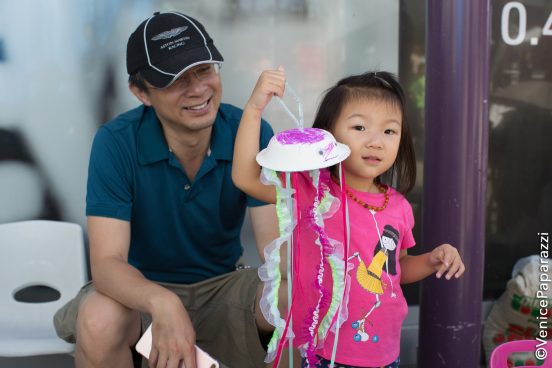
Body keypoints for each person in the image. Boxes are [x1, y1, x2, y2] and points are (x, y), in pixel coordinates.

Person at [53, 11, 283, 368]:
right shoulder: (116, 142)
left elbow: (275, 252)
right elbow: (107, 264)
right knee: (99, 319)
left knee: (296, 294)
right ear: (141, 93)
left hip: (224, 287)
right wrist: (162, 302)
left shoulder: (250, 131)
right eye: (173, 79)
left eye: (203, 69)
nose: (197, 89)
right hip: (140, 294)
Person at [232, 68, 466, 367]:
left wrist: (433, 259)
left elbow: (397, 269)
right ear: (328, 135)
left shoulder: (399, 206)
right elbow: (245, 178)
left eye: (389, 131)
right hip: (328, 355)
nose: (376, 141)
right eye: (359, 128)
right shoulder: (313, 191)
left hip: (386, 355)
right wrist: (254, 109)